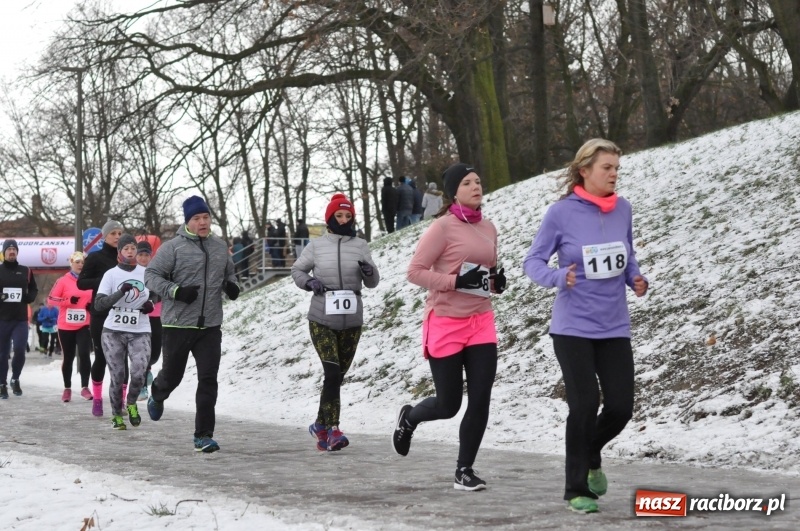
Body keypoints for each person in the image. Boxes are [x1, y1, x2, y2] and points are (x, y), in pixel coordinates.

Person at [523, 138, 648, 514]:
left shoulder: (623, 209)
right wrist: (558, 277)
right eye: (607, 168)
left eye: (616, 168)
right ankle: (575, 488)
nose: (614, 174)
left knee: (621, 408)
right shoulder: (561, 213)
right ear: (584, 171)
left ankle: (590, 451)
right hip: (572, 327)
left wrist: (635, 278)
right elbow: (533, 262)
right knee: (584, 405)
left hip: (614, 325)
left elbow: (627, 255)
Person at [391, 163, 506, 492]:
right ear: (454, 192)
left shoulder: (489, 228)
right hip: (446, 322)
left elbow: (486, 273)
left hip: (480, 320)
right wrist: (454, 282)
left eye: (478, 181)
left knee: (480, 398)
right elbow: (415, 272)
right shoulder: (442, 228)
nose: (475, 186)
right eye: (467, 183)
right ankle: (410, 418)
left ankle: (464, 469)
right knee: (449, 404)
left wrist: (496, 282)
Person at [145, 195, 239, 453]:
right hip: (178, 325)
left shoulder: (219, 247)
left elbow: (230, 273)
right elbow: (150, 276)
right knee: (172, 376)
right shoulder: (172, 248)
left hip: (210, 326)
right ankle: (158, 392)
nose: (203, 222)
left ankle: (203, 435)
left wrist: (232, 286)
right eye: (197, 218)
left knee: (208, 379)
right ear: (187, 221)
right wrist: (176, 291)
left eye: (206, 217)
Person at [291, 193, 380, 452]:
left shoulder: (360, 245)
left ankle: (319, 424)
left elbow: (373, 282)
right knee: (332, 373)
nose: (343, 220)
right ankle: (333, 430)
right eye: (338, 215)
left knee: (336, 377)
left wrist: (369, 272)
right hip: (321, 319)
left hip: (352, 321)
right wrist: (309, 282)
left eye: (348, 216)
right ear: (330, 218)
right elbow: (297, 270)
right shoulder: (317, 246)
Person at [94, 234, 155, 430]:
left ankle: (131, 403)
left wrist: (151, 303)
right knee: (118, 375)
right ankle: (116, 415)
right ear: (119, 252)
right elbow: (99, 304)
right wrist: (121, 292)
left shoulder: (146, 273)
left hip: (140, 329)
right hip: (113, 331)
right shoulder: (111, 275)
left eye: (133, 248)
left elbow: (157, 293)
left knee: (139, 372)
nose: (130, 251)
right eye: (126, 248)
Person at [78, 220, 125, 416]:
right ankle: (97, 399)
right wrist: (105, 280)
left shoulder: (125, 258)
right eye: (113, 233)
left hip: (121, 313)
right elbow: (81, 283)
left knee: (122, 359)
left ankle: (121, 402)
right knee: (102, 357)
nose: (117, 237)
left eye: (120, 233)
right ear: (105, 236)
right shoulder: (95, 257)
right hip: (100, 313)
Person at [48, 251, 94, 402]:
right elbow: (51, 300)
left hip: (84, 324)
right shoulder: (63, 281)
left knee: (84, 353)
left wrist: (91, 306)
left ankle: (85, 387)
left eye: (83, 262)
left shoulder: (89, 281)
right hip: (66, 326)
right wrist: (67, 301)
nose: (80, 265)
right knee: (68, 357)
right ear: (71, 263)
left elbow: (96, 297)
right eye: (77, 262)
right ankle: (67, 388)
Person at [0, 239, 38, 399]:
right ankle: (2, 384)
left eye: (14, 249)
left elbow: (33, 288)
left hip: (20, 319)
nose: (11, 252)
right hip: (2, 319)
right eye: (8, 249)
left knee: (20, 349)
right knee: (2, 353)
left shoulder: (25, 270)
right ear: (4, 252)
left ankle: (15, 378)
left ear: (17, 252)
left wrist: (30, 297)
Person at [134, 240, 162, 402]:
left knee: (155, 352)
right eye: (140, 255)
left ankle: (149, 368)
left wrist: (153, 299)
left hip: (156, 315)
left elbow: (161, 290)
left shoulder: (156, 271)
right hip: (140, 317)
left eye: (146, 255)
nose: (143, 258)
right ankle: (142, 386)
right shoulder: (131, 272)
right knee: (142, 352)